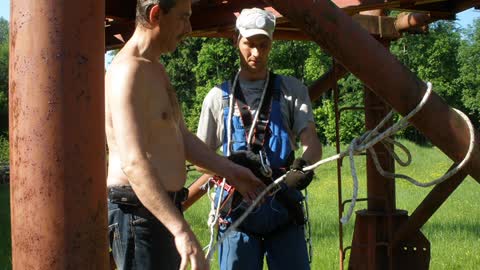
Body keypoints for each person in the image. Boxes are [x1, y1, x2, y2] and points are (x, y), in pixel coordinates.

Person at [104, 1, 266, 270]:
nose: (189, 28)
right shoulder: (127, 71)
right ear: (156, 14)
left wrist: (233, 171)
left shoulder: (154, 68)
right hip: (137, 213)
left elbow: (182, 137)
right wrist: (180, 230)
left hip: (159, 209)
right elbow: (133, 162)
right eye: (183, 18)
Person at [196, 8, 323, 270]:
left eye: (263, 45)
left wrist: (303, 165)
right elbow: (200, 159)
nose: (256, 53)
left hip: (283, 207)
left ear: (272, 44)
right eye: (249, 44)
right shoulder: (218, 97)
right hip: (236, 214)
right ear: (236, 40)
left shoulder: (291, 90)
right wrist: (231, 166)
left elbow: (311, 141)